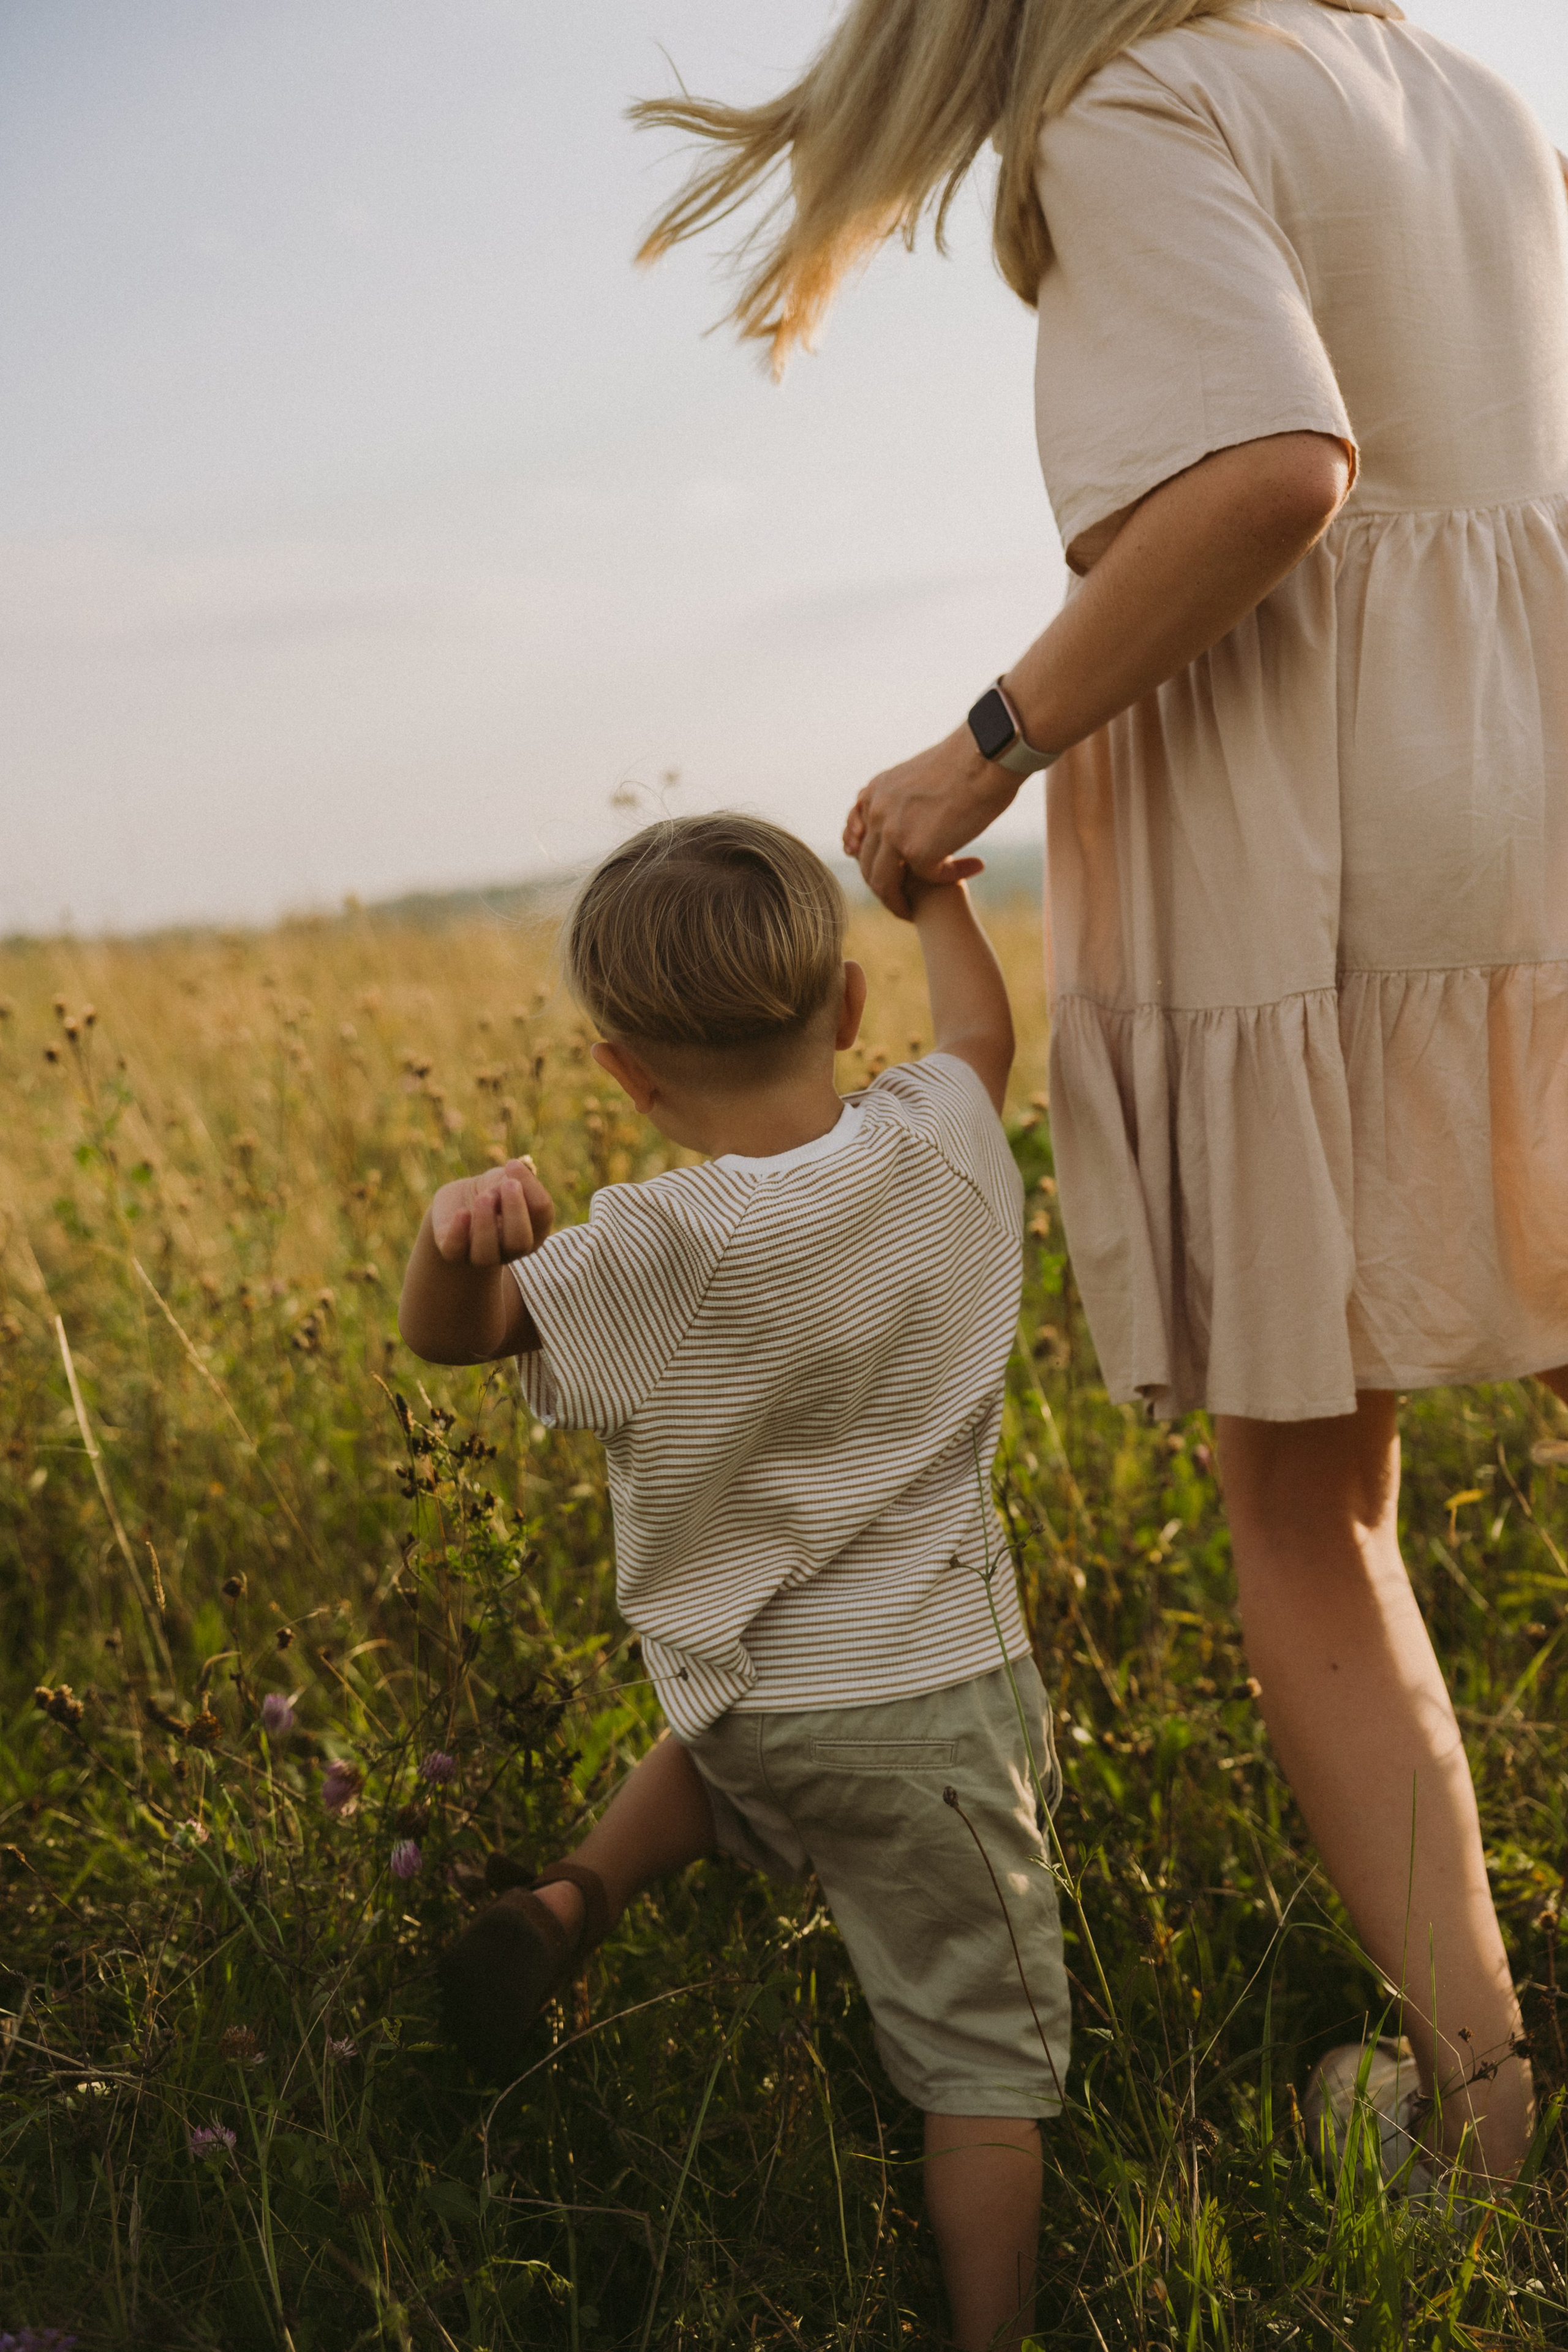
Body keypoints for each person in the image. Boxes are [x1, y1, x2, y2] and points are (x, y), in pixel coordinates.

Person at [630, 0, 1568, 2185]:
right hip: (1527, 810)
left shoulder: (1144, 101)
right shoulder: (1466, 85)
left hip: (1318, 860)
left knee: (1313, 1516)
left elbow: (1272, 475)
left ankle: (1488, 2125)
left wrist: (982, 745)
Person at [398, 814, 1071, 2352]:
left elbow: (456, 1334)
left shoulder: (655, 1243)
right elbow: (979, 1028)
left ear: (625, 1071)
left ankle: (573, 1900)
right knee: (979, 2065)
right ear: (842, 1007)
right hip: (933, 1710)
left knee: (720, 1760)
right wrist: (929, 902)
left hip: (753, 1697)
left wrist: (455, 1240)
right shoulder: (939, 1138)